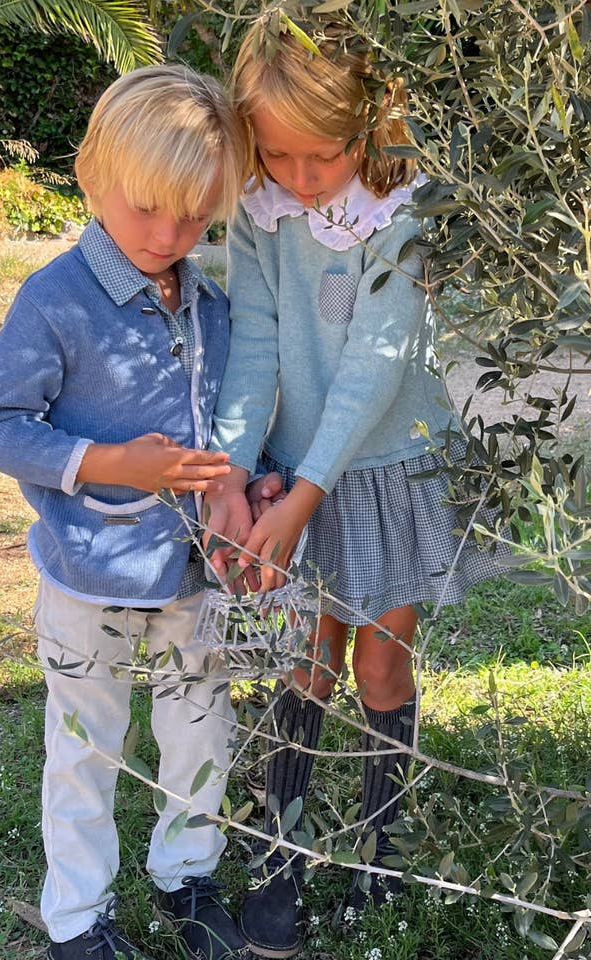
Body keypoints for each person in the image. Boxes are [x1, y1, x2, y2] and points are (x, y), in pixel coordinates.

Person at [203, 14, 505, 958]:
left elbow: (377, 362)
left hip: (383, 469)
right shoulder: (261, 212)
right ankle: (285, 849)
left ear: (369, 127)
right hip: (296, 472)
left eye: (322, 154)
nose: (300, 176)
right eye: (278, 154)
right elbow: (254, 346)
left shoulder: (402, 209)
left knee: (376, 662)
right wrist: (234, 471)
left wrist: (307, 493)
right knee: (304, 661)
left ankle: (385, 845)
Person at [0, 64, 269, 960]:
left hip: (191, 581)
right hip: (86, 574)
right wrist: (109, 464)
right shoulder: (54, 302)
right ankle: (77, 922)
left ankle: (185, 876)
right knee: (86, 748)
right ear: (92, 177)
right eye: (147, 208)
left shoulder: (208, 299)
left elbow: (233, 421)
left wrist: (250, 485)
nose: (169, 233)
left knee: (198, 729)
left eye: (194, 214)